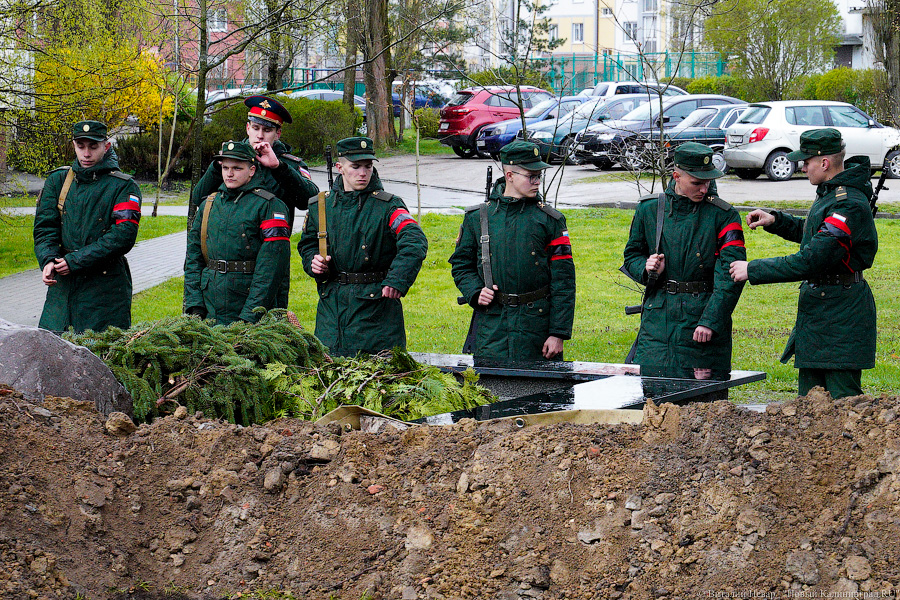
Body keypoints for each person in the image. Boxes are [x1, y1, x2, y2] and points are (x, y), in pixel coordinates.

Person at [729, 128, 878, 399]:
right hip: (821, 311)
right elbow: (816, 235)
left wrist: (752, 269)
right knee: (809, 405)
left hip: (841, 317)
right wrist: (776, 221)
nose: (802, 167)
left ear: (824, 163)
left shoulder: (848, 204)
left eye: (806, 162)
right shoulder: (830, 194)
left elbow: (813, 259)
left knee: (842, 402)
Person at [297, 136, 428, 357]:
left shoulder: (388, 206)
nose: (363, 173)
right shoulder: (321, 205)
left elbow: (414, 240)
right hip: (331, 313)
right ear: (339, 167)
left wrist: (398, 279)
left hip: (377, 314)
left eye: (368, 166)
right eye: (355, 167)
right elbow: (308, 244)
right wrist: (314, 262)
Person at [622, 142, 746, 373]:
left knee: (704, 392)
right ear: (676, 176)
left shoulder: (724, 215)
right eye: (697, 183)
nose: (704, 189)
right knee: (653, 388)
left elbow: (731, 275)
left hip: (701, 319)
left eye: (708, 182)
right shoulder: (649, 209)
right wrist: (647, 269)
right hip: (657, 322)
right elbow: (632, 256)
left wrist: (710, 321)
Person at [449, 140, 575, 360]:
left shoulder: (550, 220)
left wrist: (558, 333)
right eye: (531, 176)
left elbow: (564, 280)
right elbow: (461, 265)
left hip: (536, 328)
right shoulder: (478, 218)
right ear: (510, 175)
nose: (537, 182)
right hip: (492, 327)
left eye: (539, 176)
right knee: (491, 381)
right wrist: (475, 291)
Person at [190, 95, 319, 307]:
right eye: (256, 128)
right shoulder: (232, 159)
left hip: (270, 253)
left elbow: (310, 200)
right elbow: (198, 197)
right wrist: (219, 164)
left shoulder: (288, 164)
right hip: (230, 252)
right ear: (247, 128)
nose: (260, 135)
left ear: (278, 133)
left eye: (267, 130)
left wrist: (279, 168)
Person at [33, 120, 142, 334]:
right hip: (63, 288)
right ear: (73, 145)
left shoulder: (123, 186)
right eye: (80, 146)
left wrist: (75, 261)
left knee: (101, 349)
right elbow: (45, 227)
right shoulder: (58, 181)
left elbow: (123, 236)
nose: (86, 153)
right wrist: (48, 259)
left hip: (105, 290)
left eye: (93, 146)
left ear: (106, 146)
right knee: (52, 346)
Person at [184, 140, 291, 325]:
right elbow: (193, 257)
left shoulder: (270, 206)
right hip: (210, 307)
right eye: (225, 168)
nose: (229, 173)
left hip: (248, 307)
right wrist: (195, 305)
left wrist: (250, 315)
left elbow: (271, 268)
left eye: (237, 168)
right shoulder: (209, 205)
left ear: (252, 170)